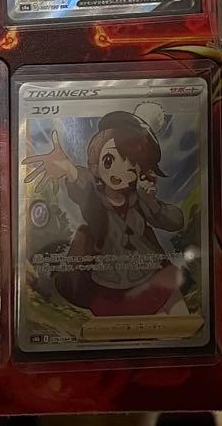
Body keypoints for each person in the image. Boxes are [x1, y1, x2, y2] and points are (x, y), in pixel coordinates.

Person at [23, 109, 187, 317]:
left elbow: (175, 221)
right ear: (97, 162)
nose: (119, 172)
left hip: (151, 276)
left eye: (132, 166)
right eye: (109, 160)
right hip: (108, 284)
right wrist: (70, 170)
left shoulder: (141, 200)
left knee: (178, 315)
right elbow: (85, 188)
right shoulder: (96, 199)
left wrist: (151, 202)